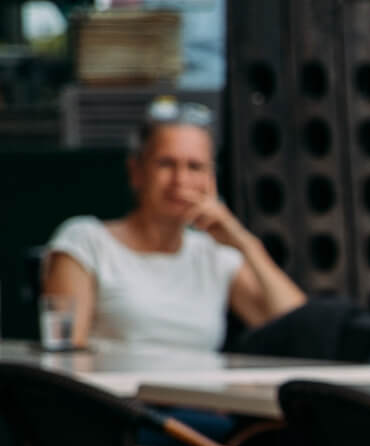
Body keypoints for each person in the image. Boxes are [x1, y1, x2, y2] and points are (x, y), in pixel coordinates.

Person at [41, 97, 304, 354]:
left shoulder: (215, 256)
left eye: (195, 166)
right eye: (166, 164)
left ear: (210, 179)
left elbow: (302, 329)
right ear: (136, 172)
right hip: (115, 396)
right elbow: (66, 355)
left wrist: (245, 244)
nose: (180, 180)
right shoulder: (86, 241)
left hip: (201, 396)